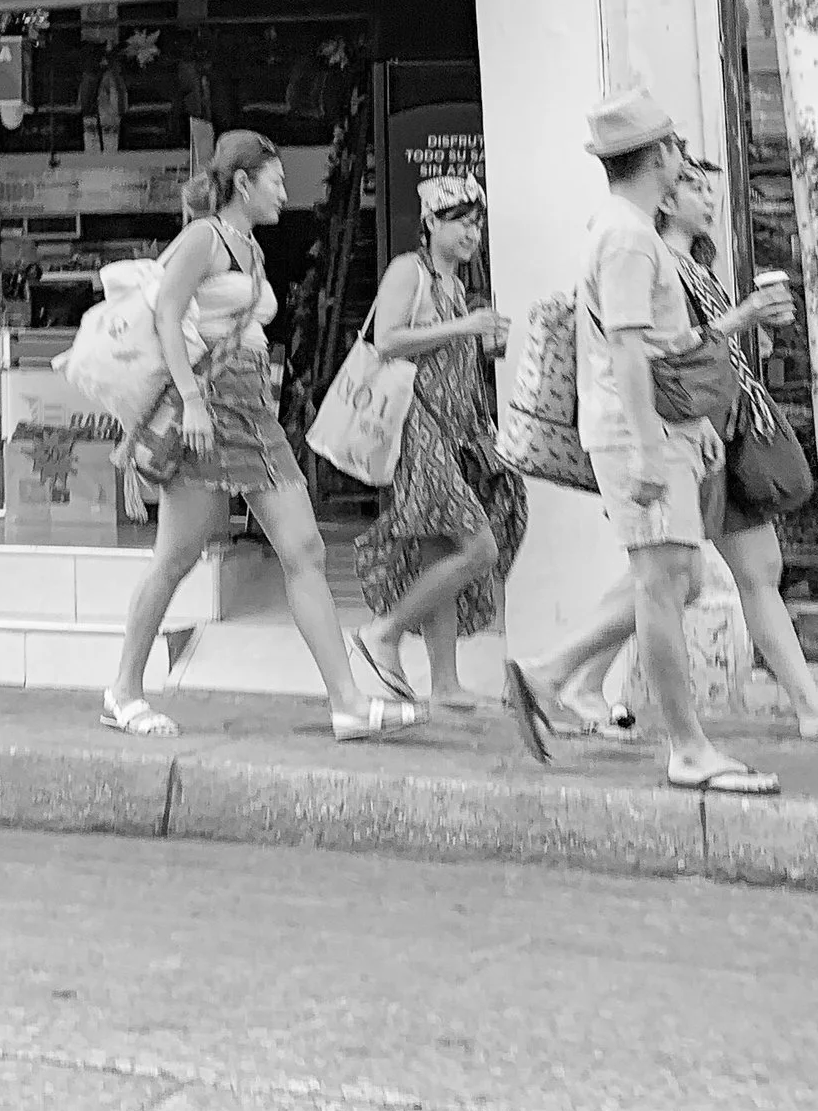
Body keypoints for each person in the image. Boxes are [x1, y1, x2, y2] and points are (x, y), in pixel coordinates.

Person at [508, 162, 818, 747]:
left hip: (716, 434)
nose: (708, 198)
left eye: (709, 186)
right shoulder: (646, 256)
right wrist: (744, 319)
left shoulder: (685, 265)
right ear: (664, 195)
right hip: (692, 439)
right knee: (674, 578)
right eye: (693, 186)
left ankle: (805, 704)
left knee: (735, 572)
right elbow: (662, 360)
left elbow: (692, 358)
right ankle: (560, 675)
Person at [100, 129, 421, 744]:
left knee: (304, 550)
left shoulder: (249, 248)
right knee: (175, 558)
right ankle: (123, 691)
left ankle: (348, 702)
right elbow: (166, 313)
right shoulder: (204, 237)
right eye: (275, 181)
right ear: (242, 183)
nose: (284, 193)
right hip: (208, 410)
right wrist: (191, 401)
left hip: (251, 411)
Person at [503, 87, 777, 798]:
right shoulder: (627, 237)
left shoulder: (628, 229)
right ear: (658, 155)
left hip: (652, 427)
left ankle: (547, 672)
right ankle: (687, 747)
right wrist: (654, 448)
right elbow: (627, 353)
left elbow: (657, 343)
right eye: (676, 148)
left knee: (679, 578)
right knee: (662, 586)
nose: (681, 158)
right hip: (634, 433)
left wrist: (689, 428)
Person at [351, 173, 525, 710]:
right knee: (478, 548)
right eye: (460, 222)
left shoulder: (455, 287)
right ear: (430, 224)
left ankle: (444, 682)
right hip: (417, 428)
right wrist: (466, 327)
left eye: (477, 223)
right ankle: (385, 632)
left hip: (457, 430)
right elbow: (387, 340)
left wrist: (483, 345)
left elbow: (452, 354)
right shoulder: (411, 270)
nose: (472, 233)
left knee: (441, 551)